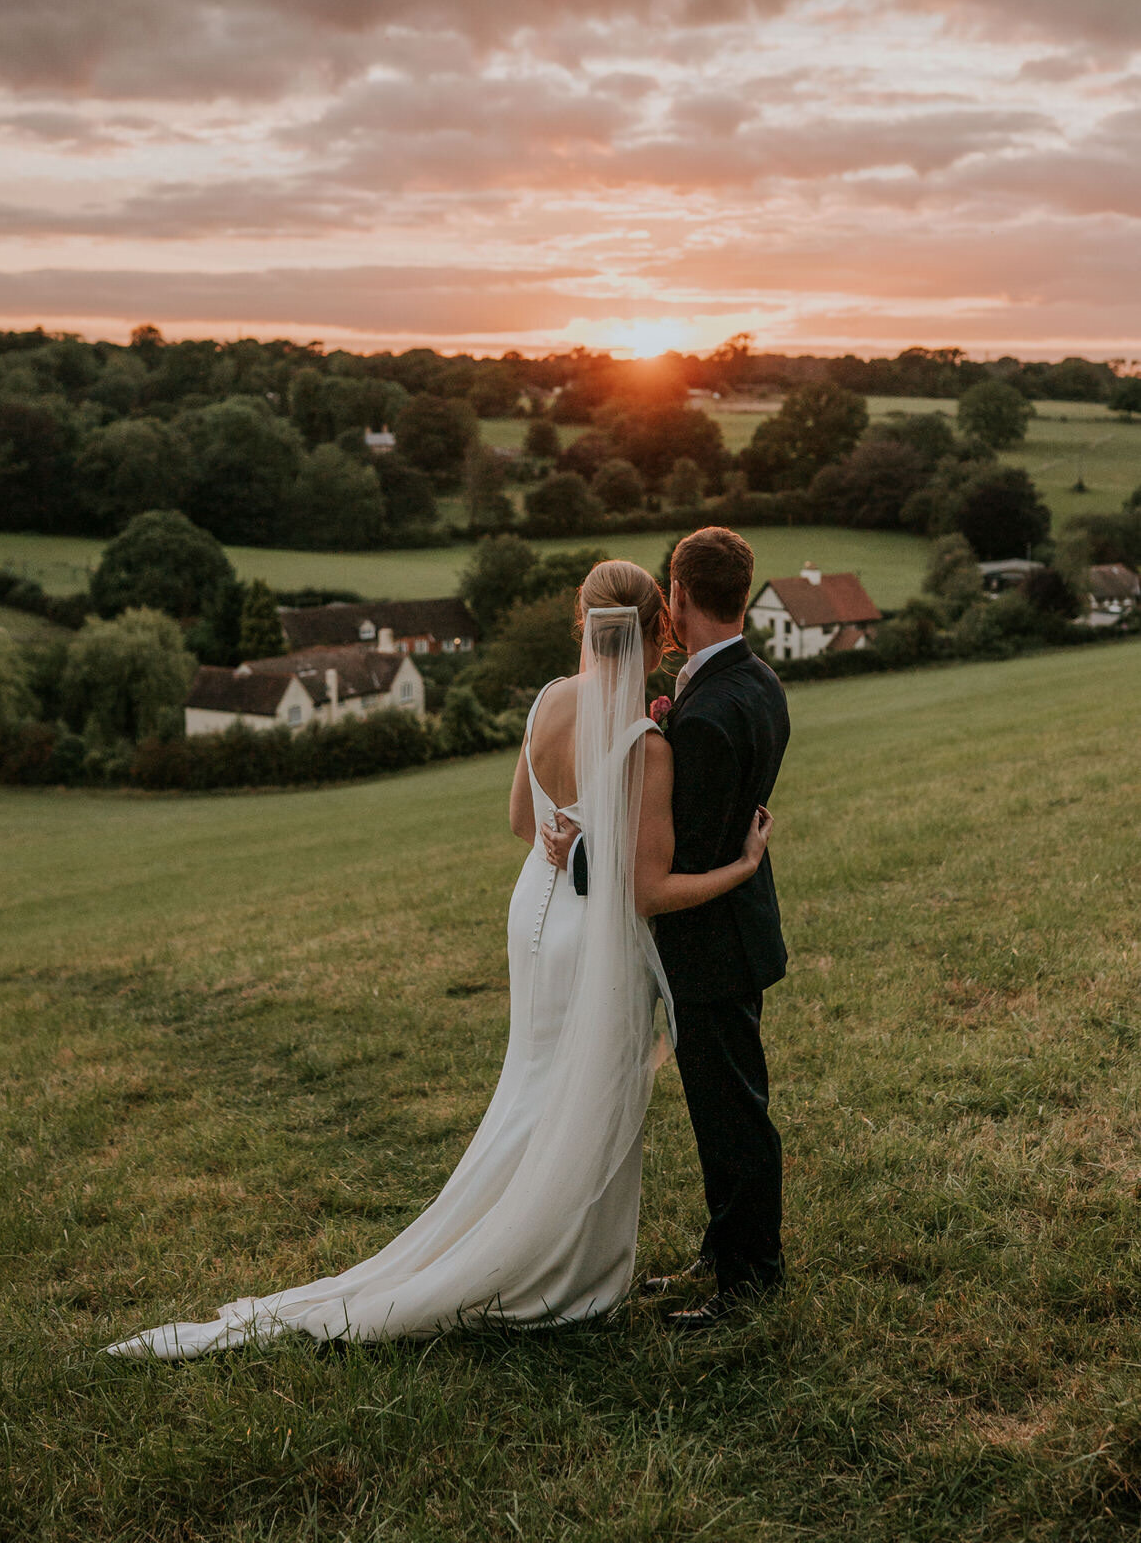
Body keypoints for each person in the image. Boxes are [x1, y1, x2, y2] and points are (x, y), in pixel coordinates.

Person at [107, 559, 772, 1360]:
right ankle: (554, 1262)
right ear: (657, 629)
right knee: (580, 1093)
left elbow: (527, 821)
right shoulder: (645, 743)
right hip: (590, 935)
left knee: (531, 1084)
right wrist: (740, 868)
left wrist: (571, 847)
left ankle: (508, 1226)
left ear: (583, 621)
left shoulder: (549, 702)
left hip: (533, 911)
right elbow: (647, 890)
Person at [544, 528, 790, 1328]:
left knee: (732, 1116)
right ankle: (725, 1252)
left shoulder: (707, 717)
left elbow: (653, 871)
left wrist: (581, 850)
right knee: (727, 1107)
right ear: (743, 595)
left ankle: (749, 1281)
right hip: (733, 934)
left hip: (711, 945)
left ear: (679, 599)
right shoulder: (756, 683)